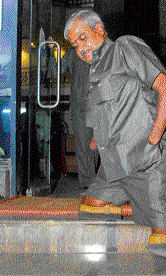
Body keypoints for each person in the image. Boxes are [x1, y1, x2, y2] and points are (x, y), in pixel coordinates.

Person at [63, 9, 166, 262]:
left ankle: (158, 214)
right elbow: (105, 111)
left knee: (165, 241)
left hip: (148, 161)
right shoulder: (95, 71)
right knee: (88, 208)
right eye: (74, 45)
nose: (80, 48)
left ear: (99, 30)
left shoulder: (124, 47)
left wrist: (154, 138)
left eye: (82, 38)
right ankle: (140, 206)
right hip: (116, 164)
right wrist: (96, 139)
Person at [47, 39, 99, 190]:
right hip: (81, 107)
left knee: (100, 147)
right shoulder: (72, 53)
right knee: (84, 147)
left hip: (103, 105)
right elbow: (53, 73)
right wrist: (51, 51)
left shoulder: (103, 50)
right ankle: (89, 186)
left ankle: (99, 185)